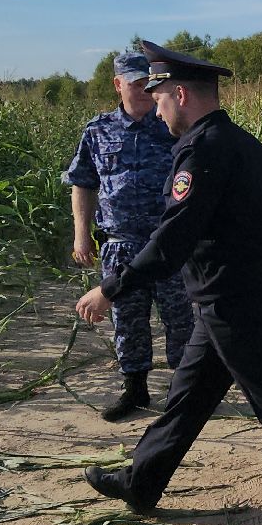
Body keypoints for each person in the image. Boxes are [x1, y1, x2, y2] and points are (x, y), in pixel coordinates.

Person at [75, 41, 262, 525]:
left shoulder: (202, 150)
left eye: (159, 99)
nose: (157, 112)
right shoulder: (245, 143)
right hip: (231, 292)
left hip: (228, 298)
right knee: (188, 395)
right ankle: (141, 482)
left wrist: (111, 288)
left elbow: (173, 237)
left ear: (180, 94)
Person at [65, 49, 194, 422]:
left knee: (180, 317)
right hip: (119, 242)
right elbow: (83, 183)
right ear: (118, 84)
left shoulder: (171, 125)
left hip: (167, 242)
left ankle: (181, 391)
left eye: (150, 83)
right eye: (136, 83)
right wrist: (81, 234)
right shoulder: (98, 130)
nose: (144, 89)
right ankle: (135, 390)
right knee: (127, 318)